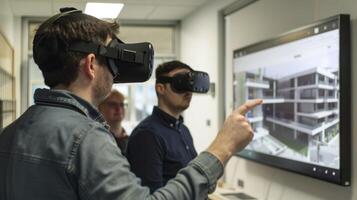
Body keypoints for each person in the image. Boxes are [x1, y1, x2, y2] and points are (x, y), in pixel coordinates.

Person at [0, 7, 262, 200]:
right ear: (91, 65)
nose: (115, 73)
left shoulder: (11, 132)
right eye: (112, 61)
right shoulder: (86, 137)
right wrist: (222, 149)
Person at [127, 61, 198, 192]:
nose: (188, 91)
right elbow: (150, 194)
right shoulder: (147, 135)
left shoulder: (183, 130)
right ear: (161, 88)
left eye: (190, 84)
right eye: (180, 83)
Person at [98, 89, 129, 156]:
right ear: (100, 107)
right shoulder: (97, 138)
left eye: (122, 104)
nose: (118, 109)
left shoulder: (131, 139)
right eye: (112, 104)